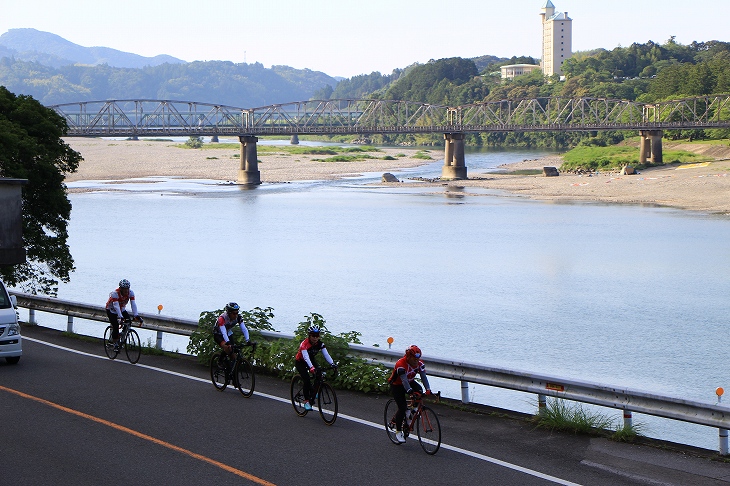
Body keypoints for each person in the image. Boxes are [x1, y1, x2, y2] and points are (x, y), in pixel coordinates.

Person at [388, 345, 432, 443]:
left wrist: (428, 389)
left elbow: (423, 377)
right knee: (402, 408)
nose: (416, 361)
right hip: (397, 385)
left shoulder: (419, 364)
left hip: (410, 381)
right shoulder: (401, 364)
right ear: (408, 357)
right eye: (414, 358)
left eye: (418, 358)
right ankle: (398, 431)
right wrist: (410, 392)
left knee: (419, 391)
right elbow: (404, 381)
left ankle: (412, 411)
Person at [295, 325, 337, 411]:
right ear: (309, 336)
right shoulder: (304, 344)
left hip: (311, 360)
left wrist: (333, 364)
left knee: (319, 374)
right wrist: (311, 368)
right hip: (301, 362)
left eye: (317, 335)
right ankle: (306, 401)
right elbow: (306, 357)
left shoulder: (320, 344)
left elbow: (326, 354)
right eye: (313, 336)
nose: (315, 338)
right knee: (306, 379)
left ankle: (314, 391)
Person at [105, 279, 143, 350]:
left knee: (128, 321)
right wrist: (120, 317)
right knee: (116, 326)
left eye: (127, 289)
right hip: (111, 310)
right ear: (120, 289)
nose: (126, 291)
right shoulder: (115, 293)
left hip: (122, 308)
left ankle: (122, 334)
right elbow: (116, 306)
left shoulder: (131, 293)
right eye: (124, 289)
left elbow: (133, 304)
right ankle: (115, 343)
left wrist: (136, 315)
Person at [213, 302, 251, 368]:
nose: (236, 315)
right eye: (234, 313)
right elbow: (223, 332)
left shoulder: (238, 318)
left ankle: (231, 370)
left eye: (237, 313)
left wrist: (248, 340)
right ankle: (220, 361)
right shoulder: (222, 318)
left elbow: (244, 329)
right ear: (229, 313)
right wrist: (228, 342)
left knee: (233, 355)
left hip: (228, 333)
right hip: (218, 334)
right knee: (227, 347)